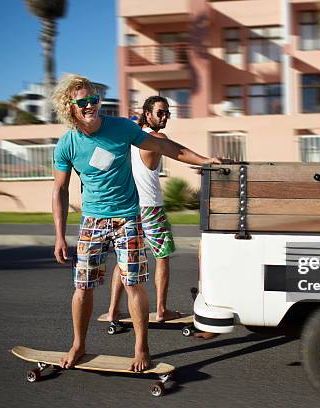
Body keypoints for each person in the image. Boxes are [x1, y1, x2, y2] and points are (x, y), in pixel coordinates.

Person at [51, 74, 220, 371]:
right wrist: (59, 236)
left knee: (134, 285)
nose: (91, 105)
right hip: (92, 221)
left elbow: (168, 148)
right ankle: (78, 344)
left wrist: (206, 160)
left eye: (94, 99)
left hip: (128, 218)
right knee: (83, 287)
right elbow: (60, 191)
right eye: (83, 101)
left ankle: (141, 347)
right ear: (70, 106)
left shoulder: (122, 128)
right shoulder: (67, 144)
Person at [106, 96, 180, 324]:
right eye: (160, 113)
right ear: (147, 114)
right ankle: (160, 311)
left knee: (123, 260)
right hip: (151, 208)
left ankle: (112, 311)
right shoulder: (158, 137)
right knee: (163, 256)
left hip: (127, 206)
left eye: (167, 112)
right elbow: (178, 152)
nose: (165, 116)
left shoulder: (127, 139)